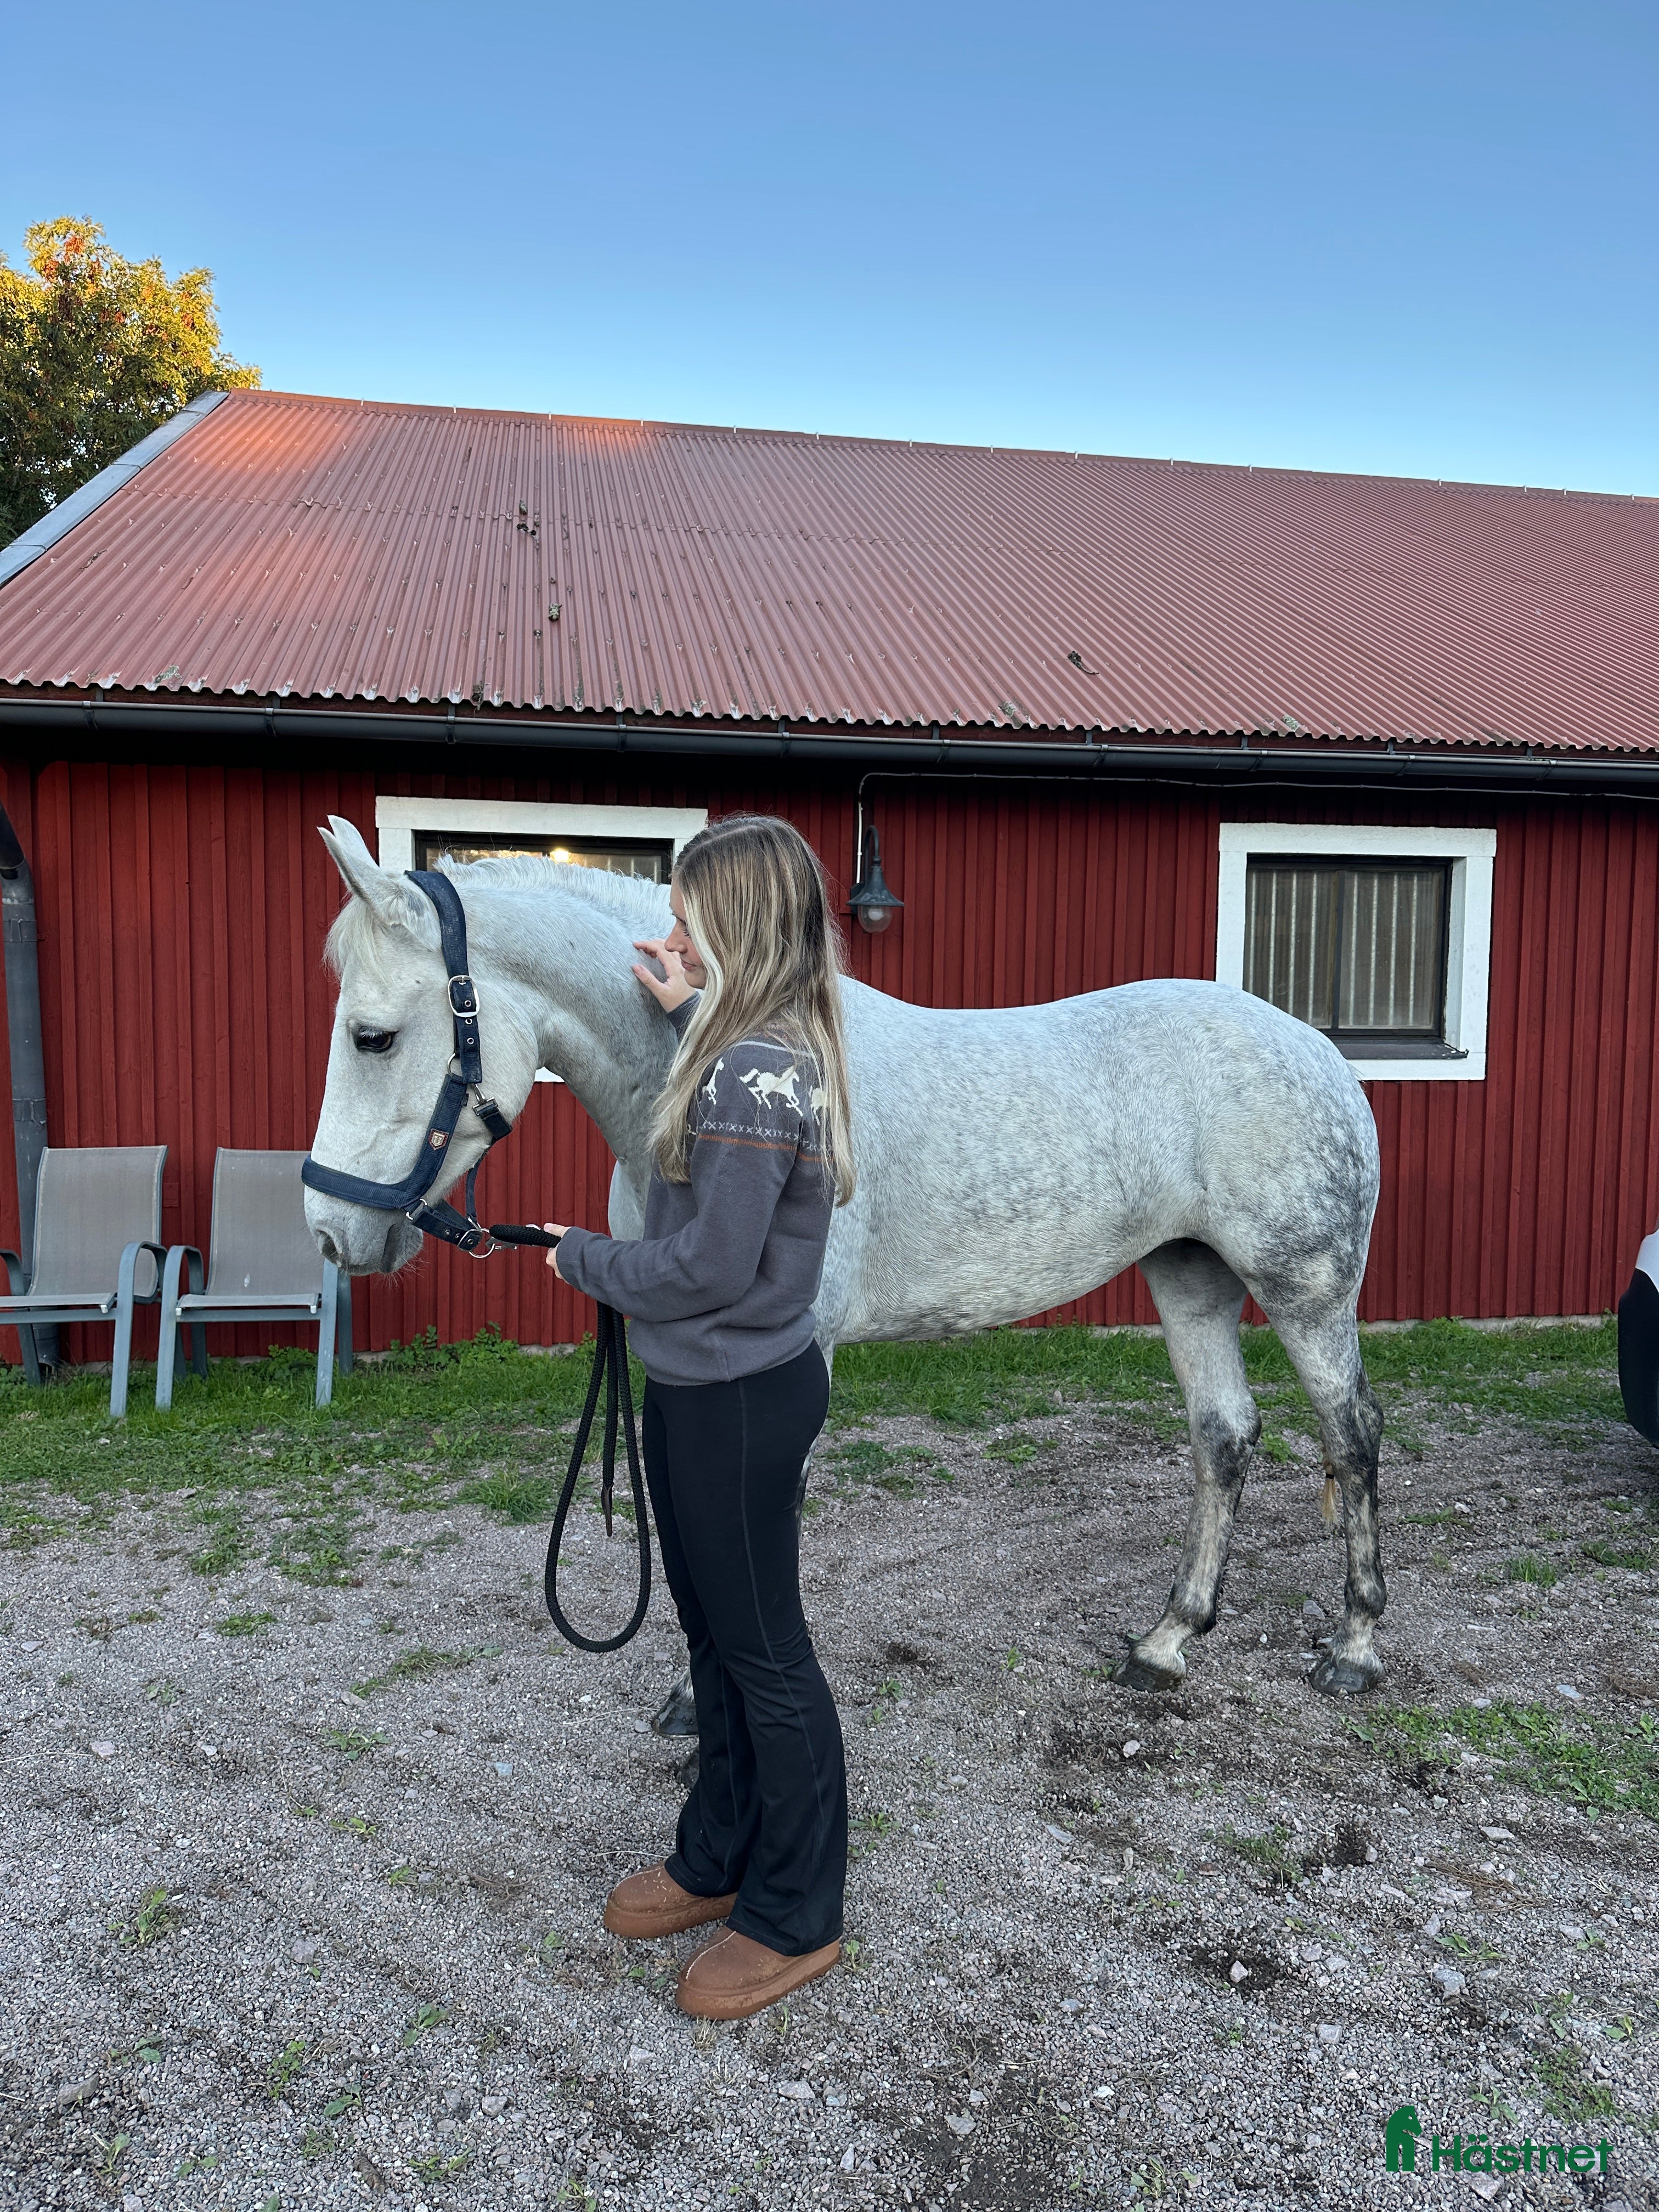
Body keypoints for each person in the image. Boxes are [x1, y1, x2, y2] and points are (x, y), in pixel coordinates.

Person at [543, 814, 856, 2022]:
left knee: (765, 1653)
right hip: (705, 1388)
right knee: (719, 1644)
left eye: (689, 919)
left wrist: (588, 1261)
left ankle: (795, 1910)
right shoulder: (749, 1054)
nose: (671, 936)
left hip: (733, 1393)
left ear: (738, 926)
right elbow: (734, 1153)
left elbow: (715, 1264)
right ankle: (718, 1854)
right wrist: (682, 1009)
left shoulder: (754, 1069)